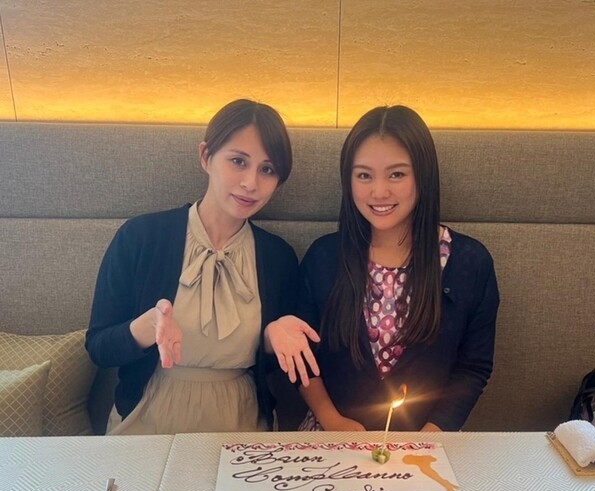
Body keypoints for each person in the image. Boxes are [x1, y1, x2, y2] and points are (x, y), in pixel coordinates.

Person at [86, 99, 318, 435]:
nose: (251, 183)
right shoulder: (141, 237)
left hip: (243, 420)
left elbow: (280, 368)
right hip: (147, 414)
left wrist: (271, 337)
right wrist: (147, 327)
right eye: (238, 161)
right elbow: (98, 348)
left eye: (267, 169)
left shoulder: (278, 256)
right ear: (206, 156)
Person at [295, 105, 499, 432]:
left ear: (423, 175)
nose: (379, 192)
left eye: (397, 174)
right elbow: (300, 354)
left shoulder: (470, 262)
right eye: (364, 175)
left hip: (431, 442)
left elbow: (472, 368)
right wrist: (334, 421)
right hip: (330, 435)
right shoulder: (324, 256)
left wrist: (430, 437)